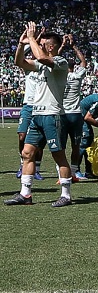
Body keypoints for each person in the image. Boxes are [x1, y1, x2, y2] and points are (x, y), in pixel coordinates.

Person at [5, 22, 71, 207]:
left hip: (52, 115)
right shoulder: (39, 65)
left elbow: (43, 59)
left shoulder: (60, 62)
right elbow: (19, 62)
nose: (37, 46)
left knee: (58, 155)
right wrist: (21, 44)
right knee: (27, 153)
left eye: (41, 44)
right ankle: (25, 194)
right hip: (37, 115)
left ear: (50, 47)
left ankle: (66, 194)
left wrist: (32, 38)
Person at [59, 34, 88, 180]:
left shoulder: (58, 76)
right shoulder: (77, 77)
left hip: (62, 114)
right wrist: (73, 46)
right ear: (73, 67)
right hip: (75, 114)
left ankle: (62, 174)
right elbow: (83, 61)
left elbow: (52, 60)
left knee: (61, 147)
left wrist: (62, 46)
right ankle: (74, 171)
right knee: (76, 145)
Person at [16, 43, 44, 181]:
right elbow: (19, 57)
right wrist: (30, 41)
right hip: (28, 106)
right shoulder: (29, 67)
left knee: (39, 140)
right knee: (22, 136)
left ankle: (37, 169)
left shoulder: (45, 68)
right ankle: (23, 164)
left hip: (41, 106)